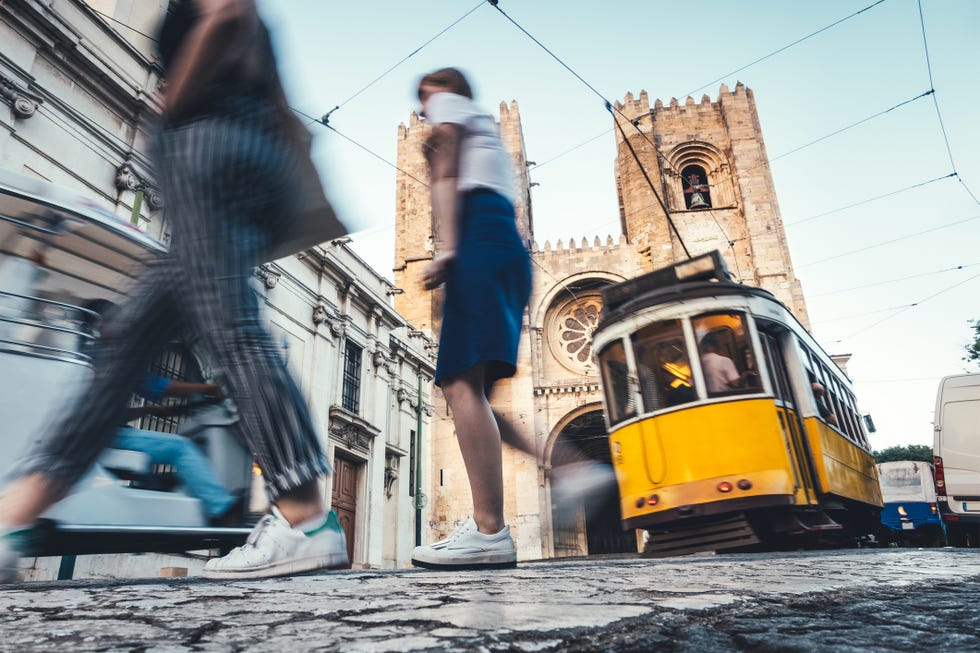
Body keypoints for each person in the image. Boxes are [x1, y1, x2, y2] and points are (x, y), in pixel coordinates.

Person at [0, 0, 346, 583]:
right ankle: (16, 515)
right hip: (242, 148)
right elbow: (275, 89)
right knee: (129, 337)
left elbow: (228, 11)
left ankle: (307, 519)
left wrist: (172, 103)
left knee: (229, 328)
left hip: (207, 139)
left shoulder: (203, 76)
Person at [409, 68, 534, 570]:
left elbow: (445, 171)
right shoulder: (488, 128)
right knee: (478, 393)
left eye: (423, 98)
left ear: (442, 91)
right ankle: (565, 468)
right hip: (506, 247)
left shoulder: (452, 109)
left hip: (479, 241)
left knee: (458, 381)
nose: (421, 110)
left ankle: (488, 530)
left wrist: (447, 248)